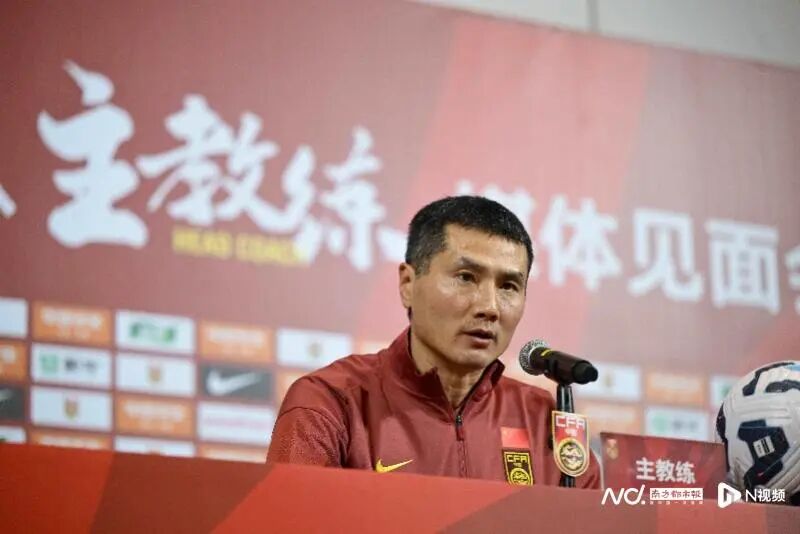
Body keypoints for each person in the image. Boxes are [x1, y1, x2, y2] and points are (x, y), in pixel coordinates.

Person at [267, 196, 600, 488]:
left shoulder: (543, 419)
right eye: (466, 277)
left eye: (508, 286)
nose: (490, 307)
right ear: (408, 284)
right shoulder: (331, 404)